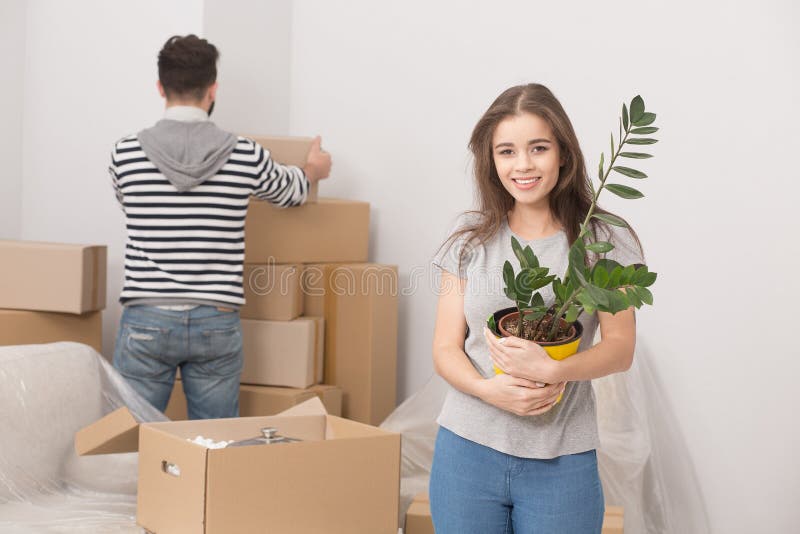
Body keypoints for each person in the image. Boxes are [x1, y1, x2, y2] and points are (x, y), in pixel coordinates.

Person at [429, 83, 644, 533]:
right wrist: (488, 390)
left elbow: (621, 348)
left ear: (563, 153)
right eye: (506, 151)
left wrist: (554, 369)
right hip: (467, 452)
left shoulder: (604, 240)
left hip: (561, 458)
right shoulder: (470, 239)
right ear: (491, 161)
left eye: (538, 148)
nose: (522, 165)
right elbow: (446, 349)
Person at [108, 35, 331, 419]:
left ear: (160, 87)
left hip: (146, 318)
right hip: (216, 319)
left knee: (129, 442)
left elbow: (128, 203)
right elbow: (292, 192)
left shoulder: (124, 153)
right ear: (212, 90)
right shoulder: (245, 154)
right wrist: (314, 169)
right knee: (214, 445)